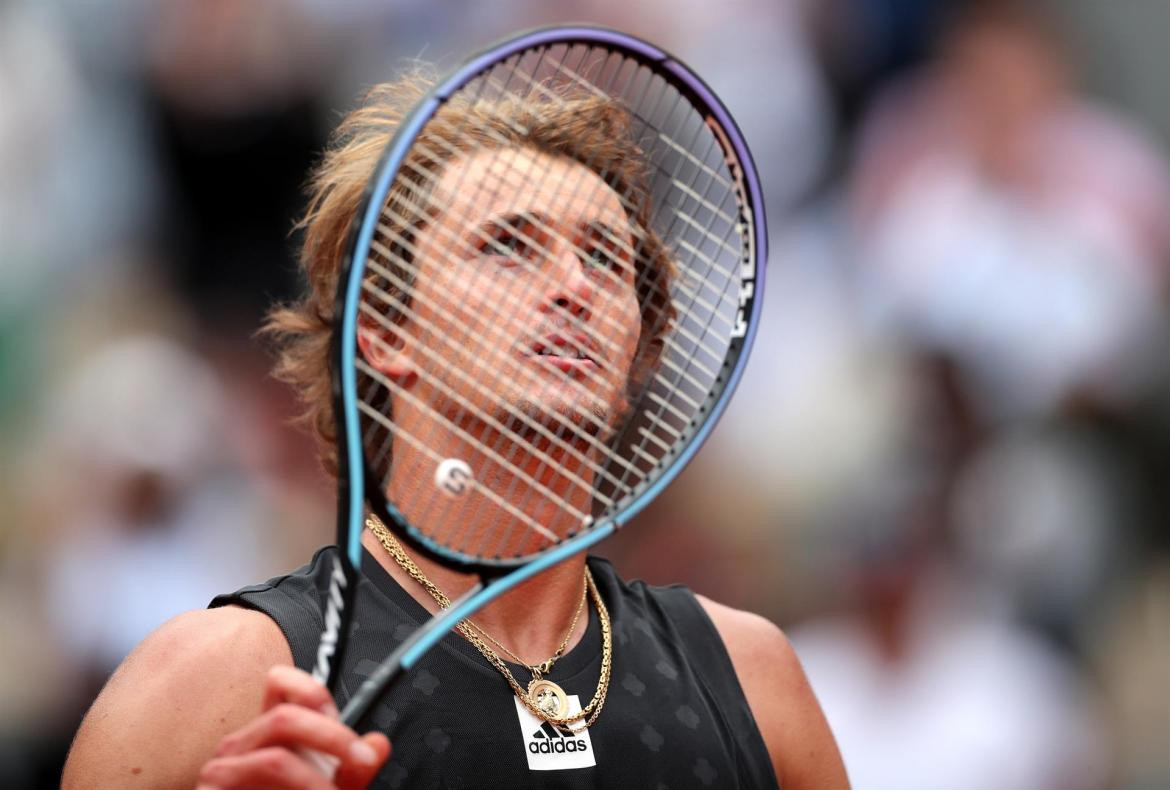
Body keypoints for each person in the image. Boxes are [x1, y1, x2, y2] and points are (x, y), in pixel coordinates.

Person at [62, 73, 849, 789]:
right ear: (384, 333)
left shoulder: (753, 678)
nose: (575, 286)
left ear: (635, 356)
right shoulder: (217, 679)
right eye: (508, 245)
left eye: (606, 258)